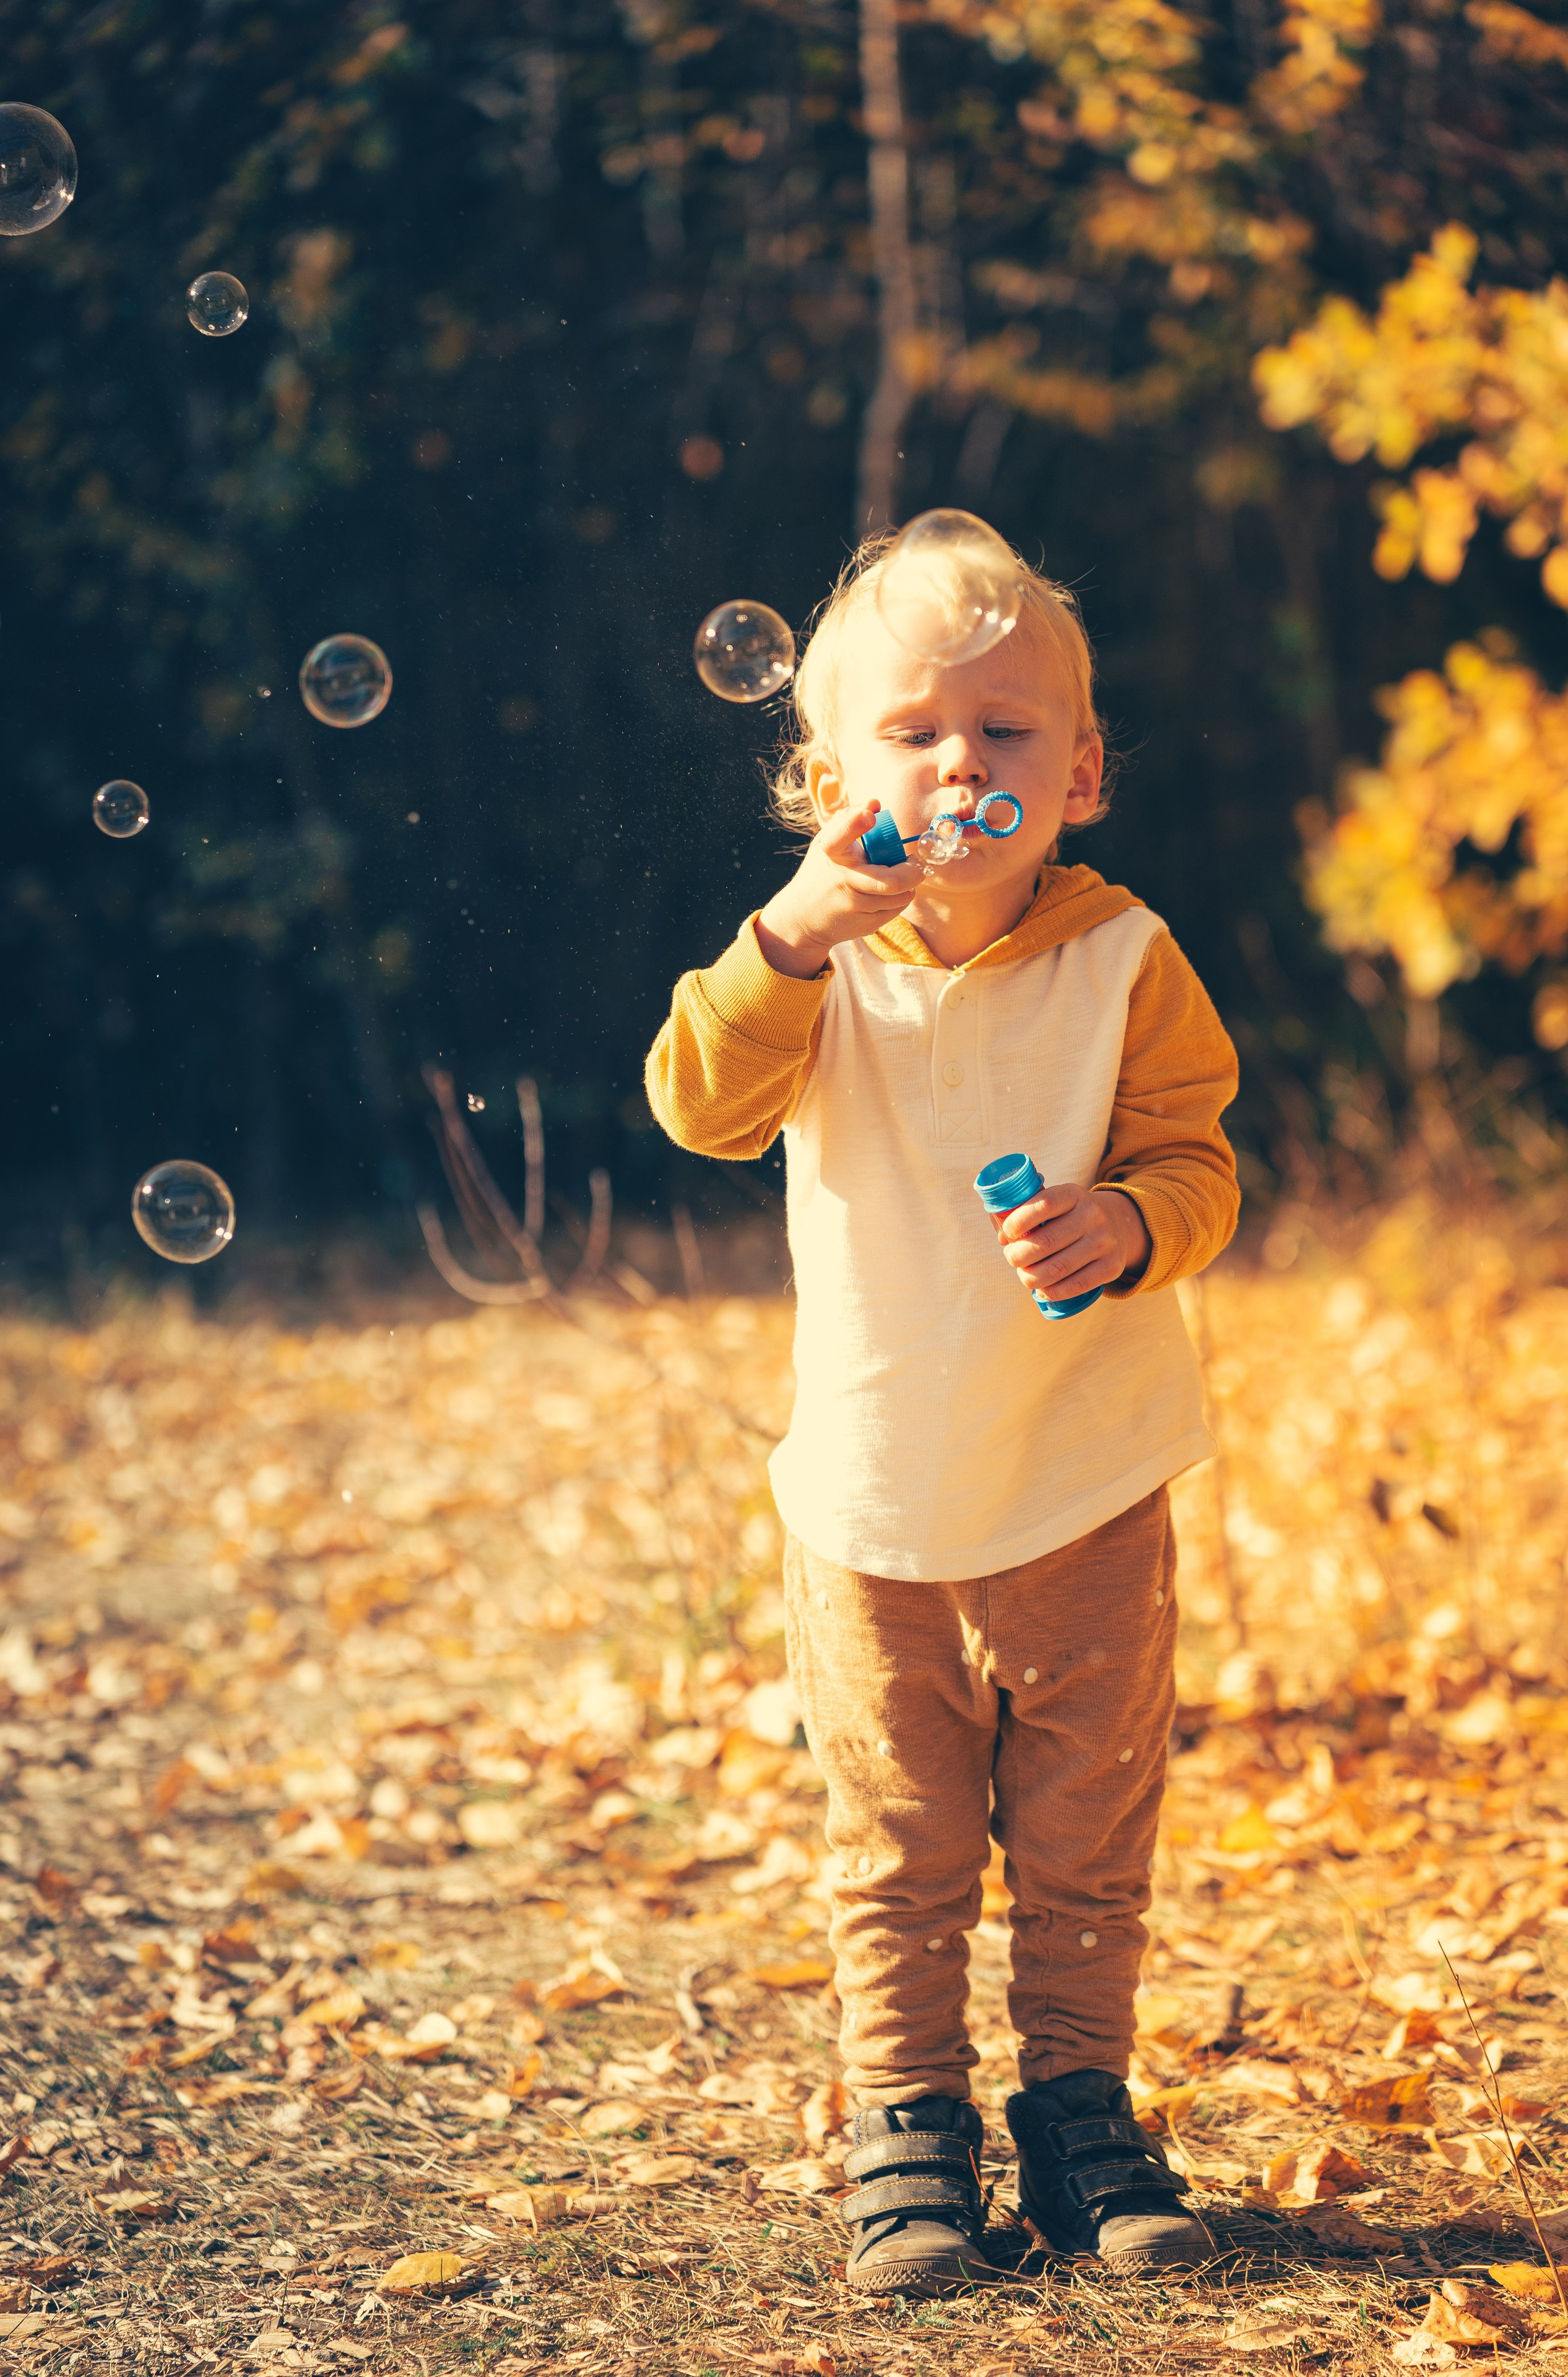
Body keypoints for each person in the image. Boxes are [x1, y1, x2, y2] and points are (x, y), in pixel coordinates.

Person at [645, 530, 1239, 2295]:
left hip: (1084, 1477)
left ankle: (1080, 2107)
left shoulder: (1128, 956)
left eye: (1008, 731)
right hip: (874, 1495)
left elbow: (1198, 1160)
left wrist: (1133, 1222)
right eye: (917, 733)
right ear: (832, 784)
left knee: (1084, 1828)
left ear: (1084, 772)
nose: (964, 768)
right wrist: (789, 940)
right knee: (897, 1842)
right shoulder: (809, 973)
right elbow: (695, 1106)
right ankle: (907, 2125)